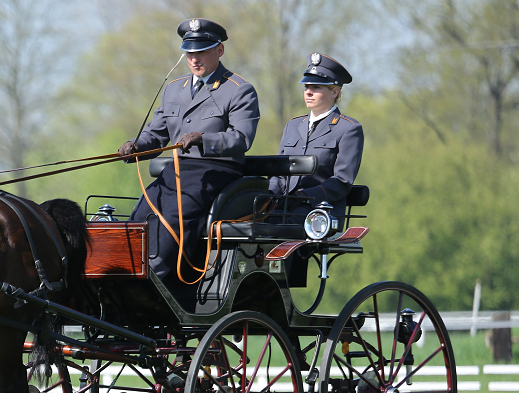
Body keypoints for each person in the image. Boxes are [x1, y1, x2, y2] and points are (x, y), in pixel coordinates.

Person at [118, 18, 260, 287]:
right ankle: (123, 278)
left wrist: (203, 139)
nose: (194, 60)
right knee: (140, 215)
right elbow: (157, 134)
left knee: (173, 217)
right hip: (175, 171)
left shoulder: (239, 90)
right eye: (189, 53)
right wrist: (136, 146)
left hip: (215, 172)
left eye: (201, 52)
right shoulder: (174, 89)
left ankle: (156, 282)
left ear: (219, 50)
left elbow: (242, 138)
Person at [268, 53, 363, 221]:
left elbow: (342, 181)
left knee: (274, 223)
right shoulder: (293, 125)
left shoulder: (348, 129)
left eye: (316, 87)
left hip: (320, 211)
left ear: (334, 92)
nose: (308, 92)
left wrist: (304, 196)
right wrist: (270, 194)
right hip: (283, 206)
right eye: (306, 87)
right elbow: (279, 172)